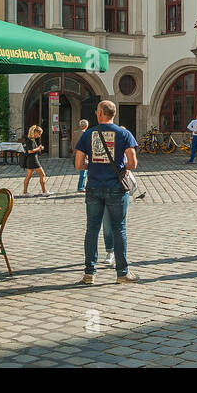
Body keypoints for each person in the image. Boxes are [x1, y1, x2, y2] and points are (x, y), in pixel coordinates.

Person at [75, 100, 139, 285]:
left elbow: (79, 163)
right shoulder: (124, 133)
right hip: (116, 188)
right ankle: (122, 273)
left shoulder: (88, 134)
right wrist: (121, 168)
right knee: (119, 229)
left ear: (100, 113)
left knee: (92, 230)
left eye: (97, 111)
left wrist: (92, 164)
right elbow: (133, 163)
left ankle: (89, 273)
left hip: (94, 186)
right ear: (113, 114)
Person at [21, 124, 47, 197]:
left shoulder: (29, 139)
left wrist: (38, 148)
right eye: (39, 134)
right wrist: (39, 148)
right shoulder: (30, 140)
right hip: (33, 160)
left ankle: (25, 192)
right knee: (42, 175)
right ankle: (44, 191)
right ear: (35, 132)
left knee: (28, 176)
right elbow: (30, 151)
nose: (39, 135)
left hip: (30, 160)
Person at [74, 119, 89, 191]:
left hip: (76, 153)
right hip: (83, 154)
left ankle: (83, 186)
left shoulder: (75, 132)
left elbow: (72, 143)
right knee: (84, 171)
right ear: (86, 126)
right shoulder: (85, 133)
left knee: (83, 170)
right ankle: (81, 187)